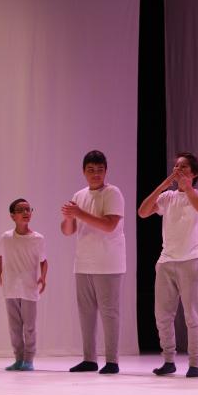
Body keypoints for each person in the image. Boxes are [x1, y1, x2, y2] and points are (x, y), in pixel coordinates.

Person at [138, 152, 198, 378]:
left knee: (192, 315)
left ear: (194, 173)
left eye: (185, 167)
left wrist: (187, 187)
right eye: (177, 167)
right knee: (163, 315)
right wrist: (164, 184)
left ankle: (195, 363)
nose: (179, 170)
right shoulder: (167, 197)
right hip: (166, 261)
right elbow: (143, 212)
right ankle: (168, 359)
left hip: (191, 259)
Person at [61, 150, 126, 375]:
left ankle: (112, 360)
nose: (95, 174)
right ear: (84, 172)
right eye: (91, 170)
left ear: (106, 171)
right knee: (86, 312)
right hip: (83, 263)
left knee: (109, 312)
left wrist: (78, 213)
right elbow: (67, 231)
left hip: (108, 263)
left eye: (99, 170)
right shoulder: (79, 195)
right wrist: (70, 217)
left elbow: (110, 225)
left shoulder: (113, 193)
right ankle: (89, 358)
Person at [0, 198, 47, 371]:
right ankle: (18, 358)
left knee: (29, 327)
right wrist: (0, 274)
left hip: (29, 287)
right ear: (12, 216)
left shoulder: (37, 238)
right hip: (10, 287)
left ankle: (29, 359)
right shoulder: (6, 237)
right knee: (14, 327)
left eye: (28, 209)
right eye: (20, 210)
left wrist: (43, 278)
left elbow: (44, 261)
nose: (25, 213)